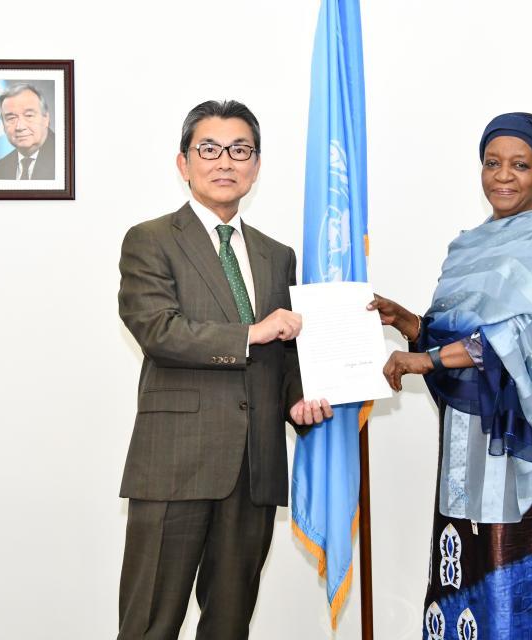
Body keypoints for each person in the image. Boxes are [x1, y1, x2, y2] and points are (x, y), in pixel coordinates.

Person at [369, 112, 532, 639]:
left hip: (531, 449)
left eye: (519, 165)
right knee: (471, 575)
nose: (503, 176)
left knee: (531, 591)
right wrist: (410, 324)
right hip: (467, 450)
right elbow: (459, 334)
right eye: (492, 163)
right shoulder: (468, 246)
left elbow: (530, 339)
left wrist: (427, 359)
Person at [116, 99, 332, 640]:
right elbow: (159, 332)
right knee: (149, 624)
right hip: (175, 463)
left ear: (256, 165)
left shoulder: (276, 255)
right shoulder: (151, 240)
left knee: (230, 625)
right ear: (183, 163)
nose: (225, 162)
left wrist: (298, 402)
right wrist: (251, 332)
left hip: (254, 467)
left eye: (240, 150)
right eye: (208, 149)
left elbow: (284, 358)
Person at [0, 83, 55, 180]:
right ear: (3, 125)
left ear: (46, 119)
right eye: (11, 118)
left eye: (29, 115)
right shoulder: (0, 169)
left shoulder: (65, 158)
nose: (20, 127)